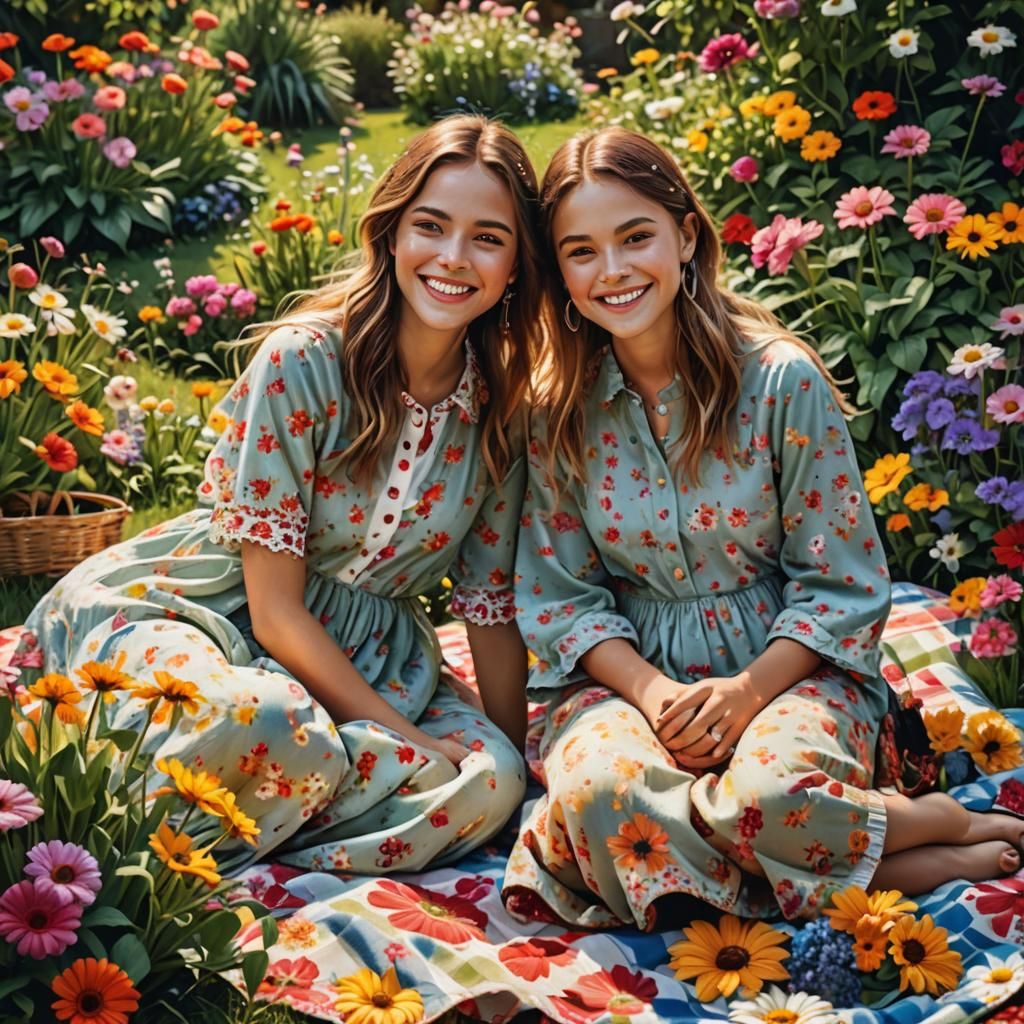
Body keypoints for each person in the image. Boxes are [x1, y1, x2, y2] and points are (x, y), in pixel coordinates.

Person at [501, 127, 1024, 930]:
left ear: (685, 234)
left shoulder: (781, 380)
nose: (612, 271)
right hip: (629, 680)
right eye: (581, 251)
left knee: (772, 796)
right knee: (604, 799)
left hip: (789, 666)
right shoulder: (557, 409)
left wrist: (747, 693)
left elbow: (841, 582)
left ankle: (908, 829)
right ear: (560, 271)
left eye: (635, 236)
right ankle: (904, 847)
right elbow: (561, 598)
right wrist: (658, 695)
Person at [24, 115, 539, 872]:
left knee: (487, 778)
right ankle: (208, 810)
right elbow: (274, 611)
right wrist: (406, 738)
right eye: (430, 226)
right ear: (392, 234)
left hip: (371, 658)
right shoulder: (304, 361)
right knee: (268, 717)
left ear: (517, 265)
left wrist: (519, 774)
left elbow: (488, 613)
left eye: (488, 238)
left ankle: (257, 796)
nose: (453, 258)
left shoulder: (499, 412)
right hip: (206, 611)